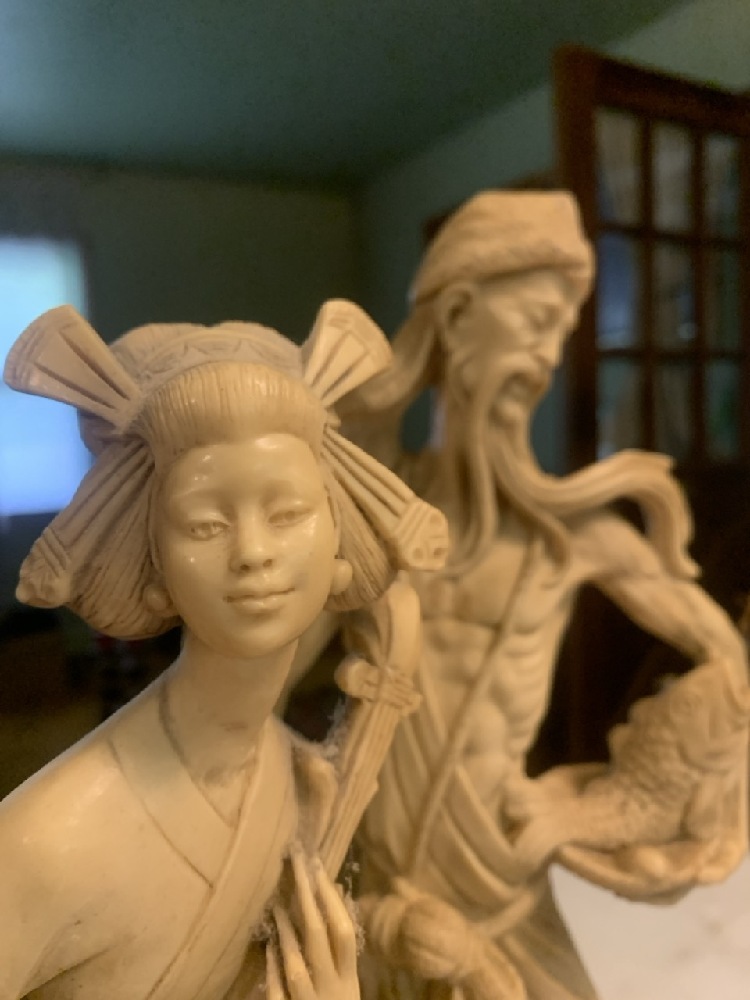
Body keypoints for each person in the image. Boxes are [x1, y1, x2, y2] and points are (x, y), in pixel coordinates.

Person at [337, 192, 750, 1000]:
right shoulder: (374, 515)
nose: (549, 357)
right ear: (458, 315)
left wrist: (625, 804)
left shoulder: (577, 539)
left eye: (563, 330)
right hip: (379, 883)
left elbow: (729, 666)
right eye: (535, 321)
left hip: (503, 884)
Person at [0, 299, 447, 1000]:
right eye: (206, 525)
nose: (254, 554)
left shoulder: (300, 779)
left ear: (339, 541)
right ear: (153, 563)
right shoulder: (42, 846)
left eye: (289, 512)